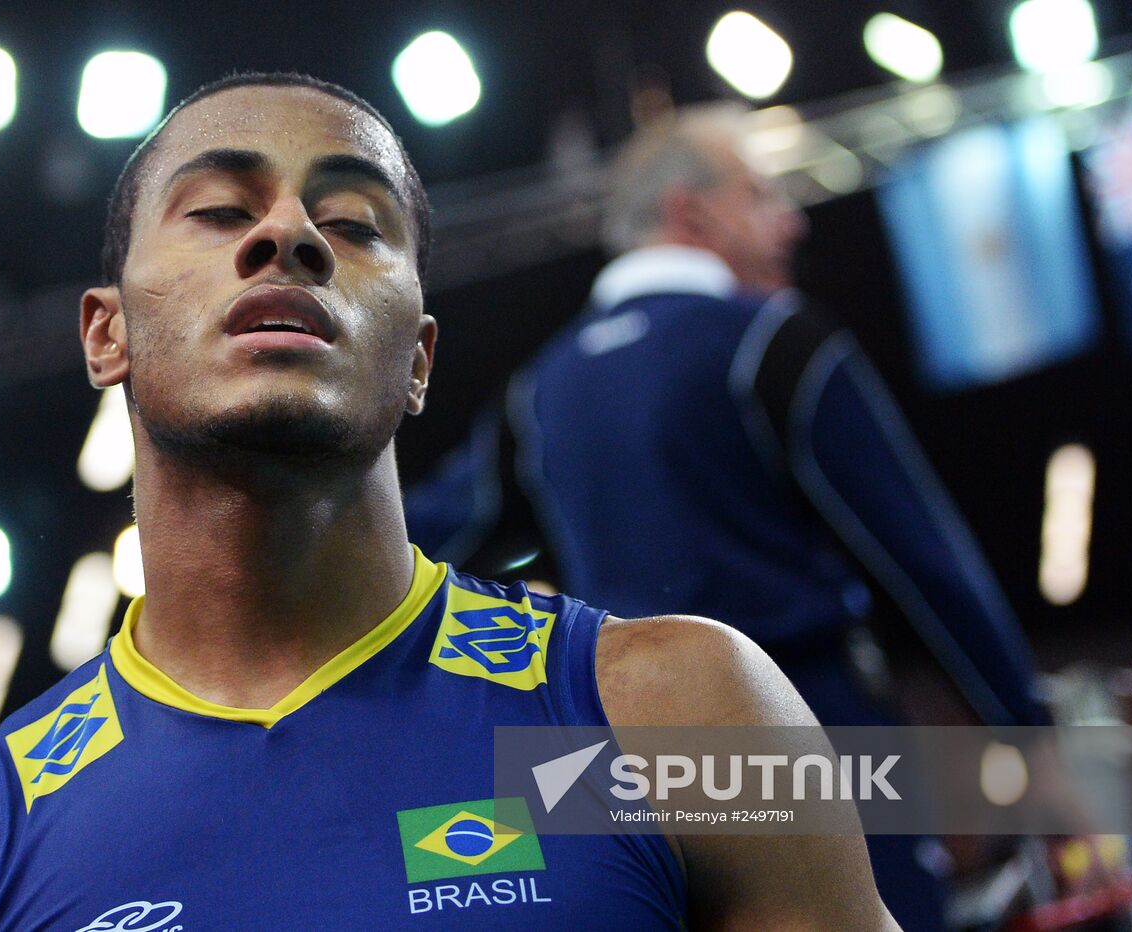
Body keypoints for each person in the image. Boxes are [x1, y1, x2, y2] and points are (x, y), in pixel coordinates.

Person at [0, 74, 896, 930]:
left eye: (353, 222)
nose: (288, 236)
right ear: (105, 332)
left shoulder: (668, 714)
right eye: (219, 210)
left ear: (419, 360)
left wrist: (1016, 772)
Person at [407, 103, 1055, 929]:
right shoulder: (776, 344)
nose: (791, 224)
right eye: (763, 195)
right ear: (692, 210)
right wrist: (1028, 738)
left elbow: (416, 540)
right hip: (813, 755)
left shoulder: (541, 389)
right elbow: (921, 565)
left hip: (623, 789)